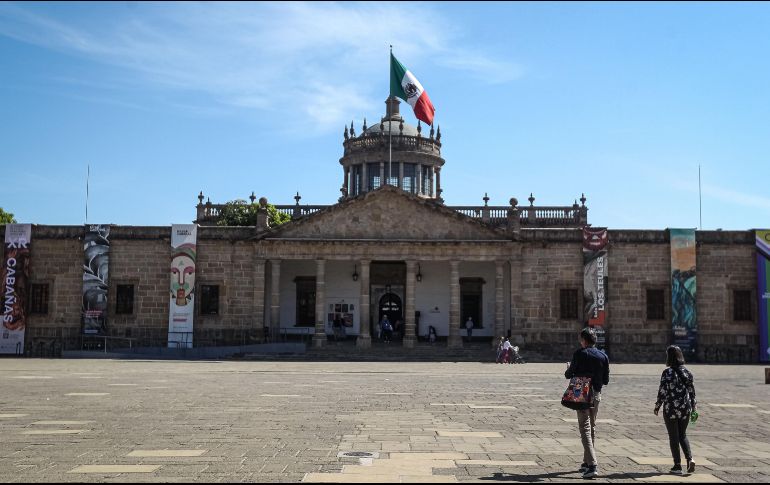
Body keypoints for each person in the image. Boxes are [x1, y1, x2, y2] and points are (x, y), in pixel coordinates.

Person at [565, 327, 610, 479]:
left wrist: (569, 369)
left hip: (581, 394)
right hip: (596, 394)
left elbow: (568, 374)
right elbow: (606, 380)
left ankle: (592, 465)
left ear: (584, 340)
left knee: (584, 428)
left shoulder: (579, 354)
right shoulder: (603, 356)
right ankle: (586, 462)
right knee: (591, 427)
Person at [654, 345, 697, 476]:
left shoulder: (667, 373)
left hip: (671, 409)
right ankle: (690, 459)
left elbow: (662, 391)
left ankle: (677, 465)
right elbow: (692, 392)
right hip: (685, 409)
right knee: (682, 435)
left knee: (674, 437)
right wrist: (694, 407)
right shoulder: (688, 372)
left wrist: (657, 406)